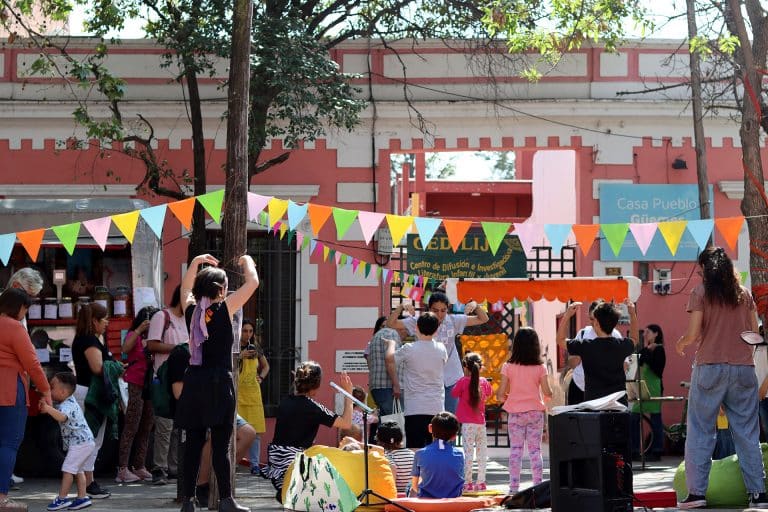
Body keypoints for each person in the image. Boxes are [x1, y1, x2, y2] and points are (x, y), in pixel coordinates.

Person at [675, 246, 768, 509]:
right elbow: (752, 332)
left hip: (710, 368)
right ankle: (758, 494)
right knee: (747, 432)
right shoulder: (744, 294)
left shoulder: (701, 293)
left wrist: (681, 343)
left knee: (701, 430)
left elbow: (693, 335)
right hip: (743, 369)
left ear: (705, 269)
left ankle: (696, 495)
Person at [174, 253, 259, 512]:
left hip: (195, 383)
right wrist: (247, 261)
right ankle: (226, 500)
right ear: (222, 290)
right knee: (221, 447)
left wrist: (194, 263)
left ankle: (188, 502)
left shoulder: (192, 311)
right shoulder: (224, 308)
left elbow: (186, 288)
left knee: (193, 447)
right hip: (220, 383)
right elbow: (252, 282)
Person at [266, 362, 354, 501]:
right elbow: (347, 423)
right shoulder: (314, 409)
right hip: (294, 469)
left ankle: (287, 492)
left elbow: (297, 397)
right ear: (316, 387)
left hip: (277, 469)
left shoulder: (285, 401)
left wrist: (298, 382)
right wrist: (348, 394)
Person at [387, 292, 488, 413]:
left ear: (447, 309)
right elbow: (391, 323)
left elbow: (483, 318)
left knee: (449, 419)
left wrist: (475, 306)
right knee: (430, 420)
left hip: (451, 378)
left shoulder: (453, 320)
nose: (440, 314)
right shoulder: (420, 321)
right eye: (435, 310)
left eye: (443, 310)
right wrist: (402, 306)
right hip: (427, 380)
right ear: (429, 309)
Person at [0, 288, 51, 511]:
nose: (25, 313)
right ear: (18, 307)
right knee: (8, 444)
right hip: (10, 390)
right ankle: (1, 498)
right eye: (25, 308)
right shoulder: (15, 328)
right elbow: (32, 364)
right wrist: (46, 390)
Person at [496, 327, 552, 494]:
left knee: (516, 450)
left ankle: (514, 487)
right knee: (535, 450)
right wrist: (543, 397)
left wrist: (508, 397)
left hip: (515, 413)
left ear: (516, 345)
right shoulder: (541, 368)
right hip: (535, 412)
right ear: (536, 346)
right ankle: (537, 485)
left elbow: (500, 395)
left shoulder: (508, 366)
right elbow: (548, 393)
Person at [70, 302, 114, 500]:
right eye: (104, 319)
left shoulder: (88, 338)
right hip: (90, 394)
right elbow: (97, 367)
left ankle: (89, 480)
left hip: (87, 392)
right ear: (94, 320)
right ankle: (88, 483)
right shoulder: (89, 340)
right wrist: (116, 367)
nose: (107, 323)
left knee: (92, 440)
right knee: (91, 440)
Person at [145, 285, 188, 486]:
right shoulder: (162, 317)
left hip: (183, 378)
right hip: (163, 379)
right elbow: (151, 344)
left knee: (180, 427)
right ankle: (159, 469)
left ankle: (175, 467)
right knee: (164, 426)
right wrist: (178, 349)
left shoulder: (187, 320)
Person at [385, 312, 447, 449]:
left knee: (415, 450)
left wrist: (391, 344)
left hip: (415, 408)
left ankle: (416, 471)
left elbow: (390, 360)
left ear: (416, 328)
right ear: (436, 330)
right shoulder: (441, 348)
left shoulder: (409, 349)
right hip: (437, 407)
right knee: (438, 448)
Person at [556, 300, 637, 404]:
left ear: (597, 323)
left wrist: (567, 315)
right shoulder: (621, 345)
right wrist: (632, 314)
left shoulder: (586, 345)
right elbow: (635, 339)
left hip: (594, 403)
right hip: (617, 403)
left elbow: (560, 340)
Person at [39, 372, 95, 511]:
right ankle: (82, 498)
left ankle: (61, 499)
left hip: (80, 444)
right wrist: (48, 408)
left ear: (63, 391)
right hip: (85, 442)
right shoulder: (69, 401)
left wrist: (47, 409)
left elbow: (62, 417)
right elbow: (58, 413)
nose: (50, 391)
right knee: (78, 470)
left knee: (68, 470)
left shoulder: (67, 406)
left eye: (52, 387)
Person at [116, 306, 158, 483]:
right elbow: (125, 349)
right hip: (135, 383)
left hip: (150, 384)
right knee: (132, 423)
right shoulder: (134, 333)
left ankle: (139, 466)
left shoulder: (155, 337)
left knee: (147, 425)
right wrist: (139, 329)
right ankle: (122, 469)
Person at [451, 352, 492, 492]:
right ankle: (481, 482)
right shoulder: (484, 382)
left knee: (468, 453)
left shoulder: (463, 382)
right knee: (482, 453)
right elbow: (490, 393)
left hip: (468, 425)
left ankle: (468, 482)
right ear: (480, 367)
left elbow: (453, 393)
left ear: (466, 367)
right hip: (481, 423)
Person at [236, 318, 269, 474]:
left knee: (255, 432)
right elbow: (228, 365)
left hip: (254, 395)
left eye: (250, 331)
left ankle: (255, 465)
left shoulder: (256, 347)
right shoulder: (233, 346)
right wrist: (240, 356)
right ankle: (234, 462)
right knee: (236, 432)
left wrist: (261, 377)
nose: (247, 334)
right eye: (244, 331)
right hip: (238, 394)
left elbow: (266, 366)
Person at [630, 324, 666, 462]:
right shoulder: (646, 349)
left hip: (654, 387)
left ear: (656, 334)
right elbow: (639, 364)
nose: (645, 334)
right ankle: (635, 450)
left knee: (655, 419)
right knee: (634, 417)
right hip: (642, 386)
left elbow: (658, 369)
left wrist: (650, 352)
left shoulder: (660, 350)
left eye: (648, 332)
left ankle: (657, 450)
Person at [410, 411, 464, 499]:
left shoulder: (419, 453)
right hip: (452, 499)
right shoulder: (459, 454)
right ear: (454, 436)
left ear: (430, 428)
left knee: (410, 485)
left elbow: (414, 487)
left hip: (427, 500)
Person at [365, 316, 406, 416]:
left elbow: (370, 365)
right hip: (389, 387)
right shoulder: (392, 334)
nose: (407, 333)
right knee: (393, 424)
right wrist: (396, 385)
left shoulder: (375, 338)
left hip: (377, 387)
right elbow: (391, 360)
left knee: (385, 422)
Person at [375, 421, 414, 494]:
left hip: (396, 496)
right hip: (411, 494)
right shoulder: (412, 454)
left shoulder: (385, 456)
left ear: (380, 440)